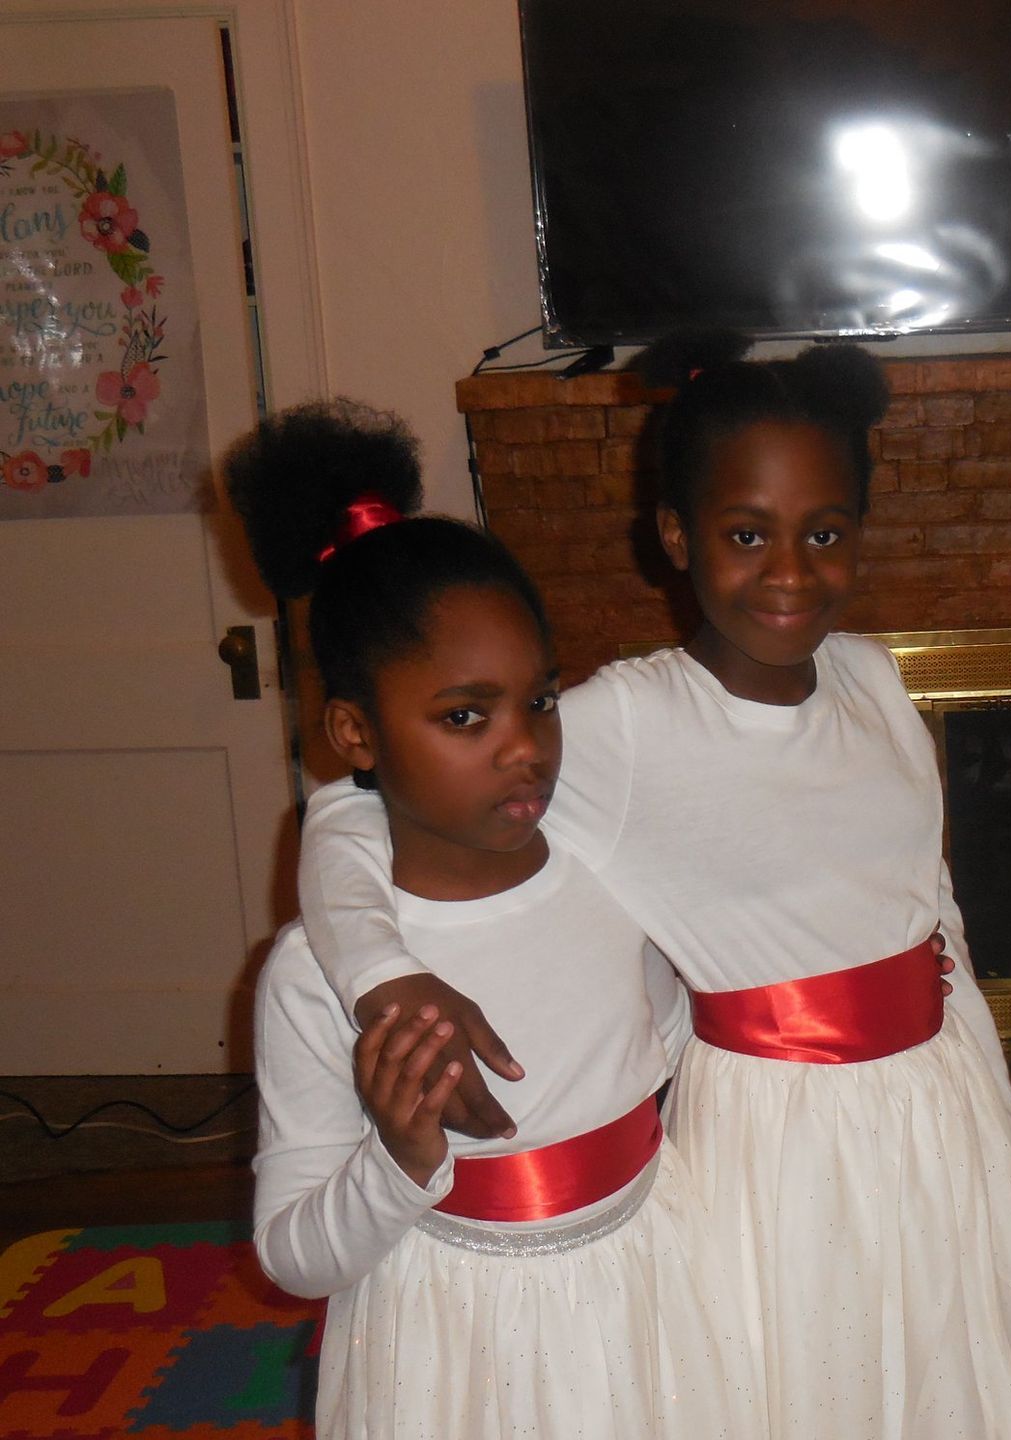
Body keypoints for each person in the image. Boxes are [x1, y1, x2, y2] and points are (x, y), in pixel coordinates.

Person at [291, 346, 1011, 1440]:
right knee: (817, 1383)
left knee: (950, 1371)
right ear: (677, 536)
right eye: (748, 533)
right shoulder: (623, 726)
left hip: (932, 1104)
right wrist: (382, 976)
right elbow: (357, 807)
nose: (790, 572)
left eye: (826, 532)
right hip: (780, 1142)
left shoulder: (874, 677)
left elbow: (929, 892)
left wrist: (986, 1112)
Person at [237, 401, 759, 1439]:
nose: (524, 748)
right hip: (453, 1339)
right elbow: (295, 1256)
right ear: (355, 731)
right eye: (466, 717)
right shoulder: (316, 975)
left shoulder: (614, 879)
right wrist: (397, 1155)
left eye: (542, 700)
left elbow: (663, 1039)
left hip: (650, 1300)